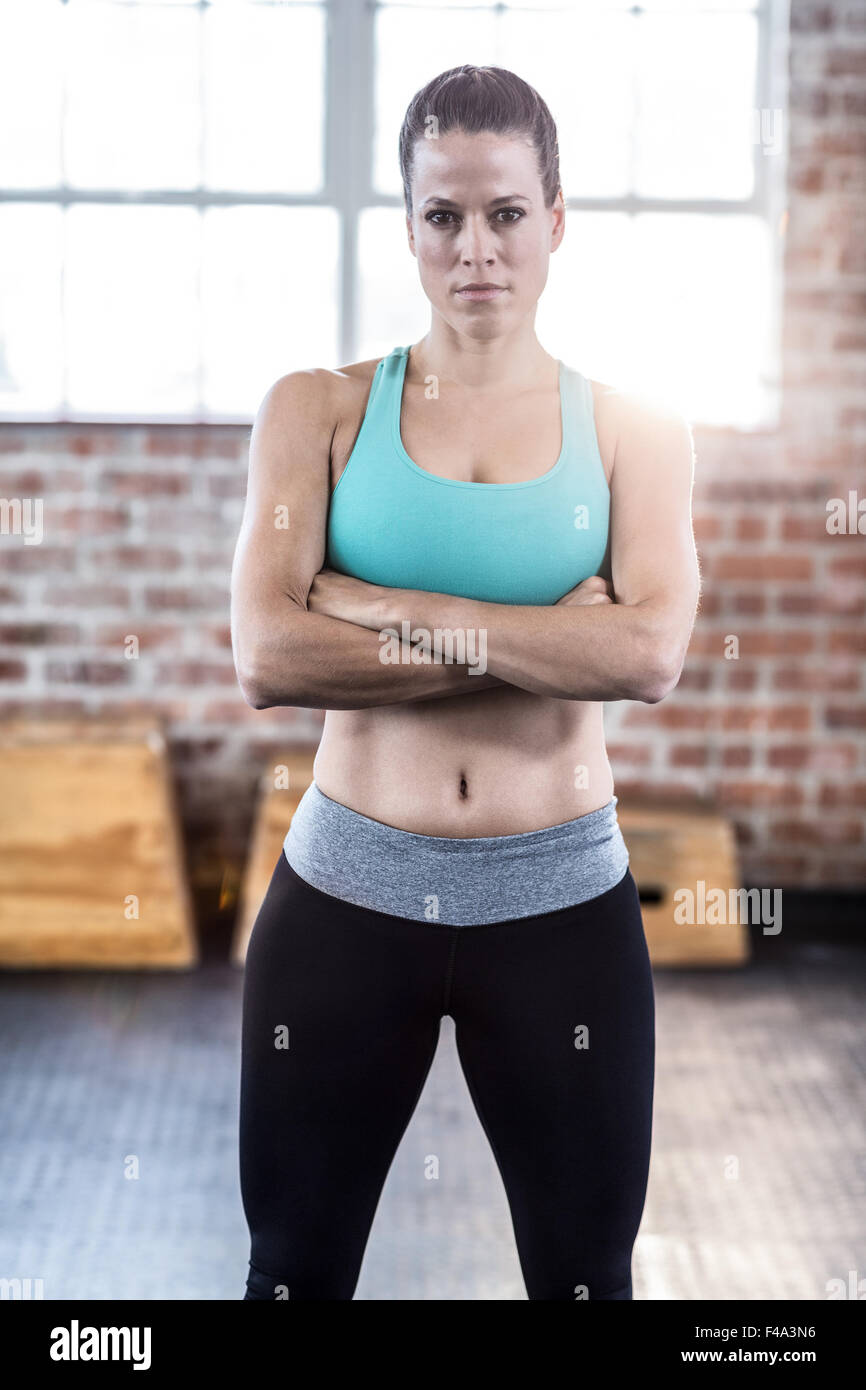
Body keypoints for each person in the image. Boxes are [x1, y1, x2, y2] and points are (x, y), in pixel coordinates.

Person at [231, 64, 700, 1300]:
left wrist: (394, 609)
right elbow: (270, 657)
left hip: (559, 908)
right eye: (442, 215)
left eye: (504, 212)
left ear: (557, 219)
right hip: (346, 896)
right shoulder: (317, 411)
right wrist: (542, 641)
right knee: (290, 1273)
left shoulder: (634, 431)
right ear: (407, 227)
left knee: (587, 1282)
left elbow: (647, 656)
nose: (474, 247)